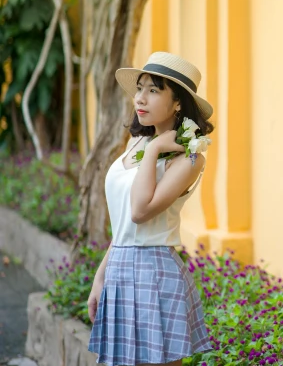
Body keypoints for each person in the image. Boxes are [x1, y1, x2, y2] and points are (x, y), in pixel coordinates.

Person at [87, 52, 213, 365]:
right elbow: (123, 227)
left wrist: (157, 146)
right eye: (139, 88)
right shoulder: (135, 143)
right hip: (120, 269)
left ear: (178, 103)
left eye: (154, 91)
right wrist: (100, 277)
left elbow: (140, 212)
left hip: (154, 273)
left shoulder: (189, 159)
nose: (140, 99)